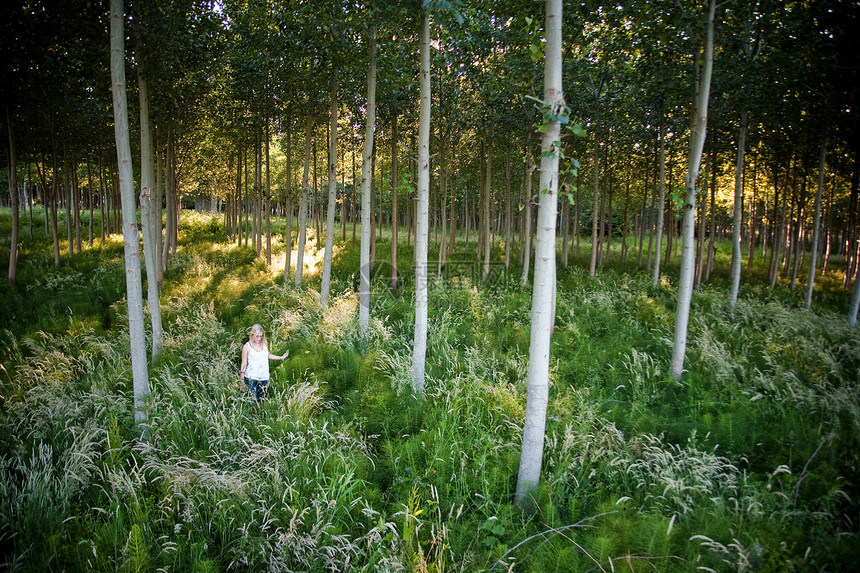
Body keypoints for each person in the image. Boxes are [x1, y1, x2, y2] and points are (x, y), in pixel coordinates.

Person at [240, 324, 287, 401]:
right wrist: (242, 381)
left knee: (262, 400)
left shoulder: (264, 343)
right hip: (252, 377)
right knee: (252, 401)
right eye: (257, 336)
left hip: (264, 377)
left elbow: (267, 355)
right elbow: (244, 363)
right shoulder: (247, 347)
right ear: (252, 335)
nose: (259, 338)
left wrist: (281, 357)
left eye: (261, 336)